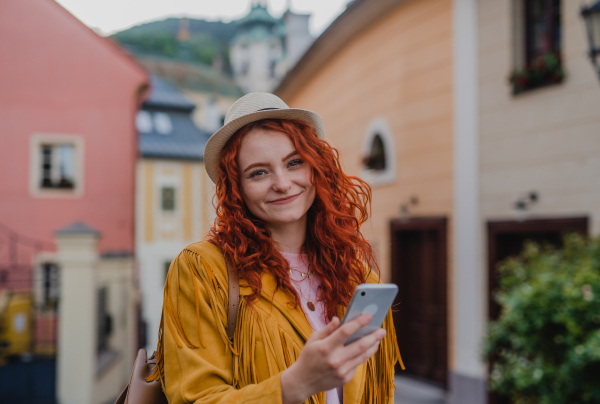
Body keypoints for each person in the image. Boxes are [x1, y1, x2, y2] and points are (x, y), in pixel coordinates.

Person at [148, 93, 404, 404]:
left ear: (316, 168)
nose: (282, 183)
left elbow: (380, 391)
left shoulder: (355, 274)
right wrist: (294, 384)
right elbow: (196, 398)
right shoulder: (203, 269)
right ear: (236, 188)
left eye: (294, 162)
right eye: (259, 172)